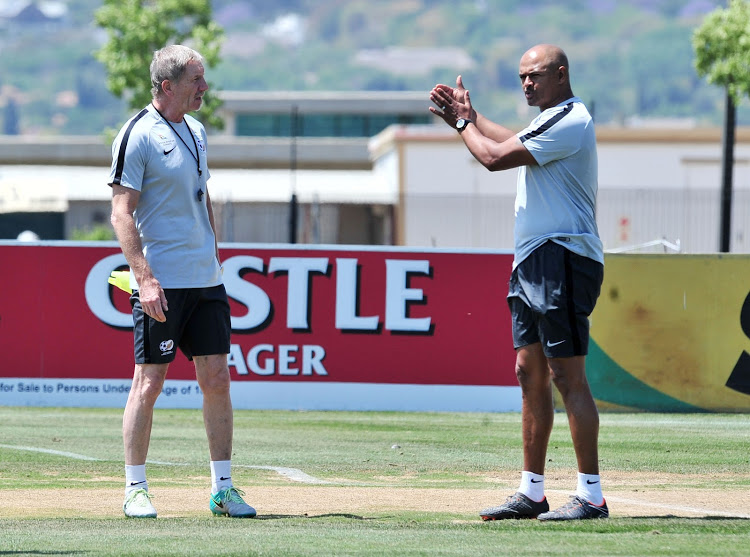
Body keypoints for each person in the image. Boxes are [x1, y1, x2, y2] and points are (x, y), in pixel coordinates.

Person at [429, 44, 608, 521]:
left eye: (536, 76)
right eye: (522, 77)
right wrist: (472, 116)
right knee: (528, 374)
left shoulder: (571, 117)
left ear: (561, 75)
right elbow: (509, 140)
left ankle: (591, 496)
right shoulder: (551, 119)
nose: (527, 84)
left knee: (566, 376)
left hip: (563, 257)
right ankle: (532, 492)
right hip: (533, 259)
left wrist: (464, 125)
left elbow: (492, 158)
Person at [108, 44, 255, 519]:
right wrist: (143, 278)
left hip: (206, 280)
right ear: (167, 86)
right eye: (196, 81)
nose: (204, 89)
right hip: (162, 283)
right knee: (149, 382)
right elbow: (121, 212)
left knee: (216, 378)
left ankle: (224, 489)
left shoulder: (195, 130)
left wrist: (214, 253)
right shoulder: (136, 134)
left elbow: (201, 193)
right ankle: (135, 489)